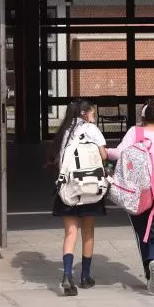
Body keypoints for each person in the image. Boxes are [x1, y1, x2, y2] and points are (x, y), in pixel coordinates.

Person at [107, 99, 154, 295]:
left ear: (142, 116)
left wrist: (104, 151)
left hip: (135, 193)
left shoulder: (134, 133)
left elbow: (118, 153)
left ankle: (148, 271)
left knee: (141, 233)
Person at [49, 99, 107, 296]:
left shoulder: (65, 132)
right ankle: (85, 276)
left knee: (70, 234)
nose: (94, 116)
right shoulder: (92, 130)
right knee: (88, 233)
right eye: (93, 113)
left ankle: (66, 274)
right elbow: (104, 156)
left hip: (70, 189)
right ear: (85, 113)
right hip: (90, 187)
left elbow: (60, 161)